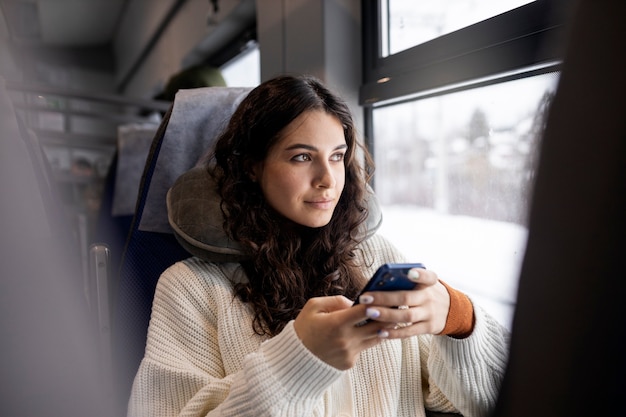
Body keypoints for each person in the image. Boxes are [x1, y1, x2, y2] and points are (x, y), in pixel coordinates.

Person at [127, 74, 510, 417]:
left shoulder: (379, 256)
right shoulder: (189, 287)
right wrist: (298, 364)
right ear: (252, 166)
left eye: (338, 156)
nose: (328, 179)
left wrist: (458, 320)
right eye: (302, 157)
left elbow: (487, 398)